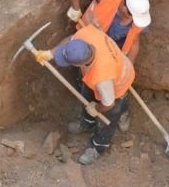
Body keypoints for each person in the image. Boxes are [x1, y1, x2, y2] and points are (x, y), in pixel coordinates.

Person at [35, 24, 135, 165]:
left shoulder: (102, 76)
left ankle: (98, 147)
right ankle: (86, 123)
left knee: (109, 117)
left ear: (82, 63)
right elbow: (71, 39)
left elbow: (109, 103)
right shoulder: (86, 37)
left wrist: (96, 109)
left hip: (119, 81)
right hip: (107, 70)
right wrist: (50, 53)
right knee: (86, 96)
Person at [65, 0, 152, 132]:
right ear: (125, 9)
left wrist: (126, 70)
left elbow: (134, 45)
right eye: (132, 17)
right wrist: (75, 8)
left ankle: (122, 111)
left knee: (118, 91)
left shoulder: (138, 19)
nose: (135, 22)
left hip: (114, 55)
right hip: (91, 47)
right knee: (88, 83)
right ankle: (87, 119)